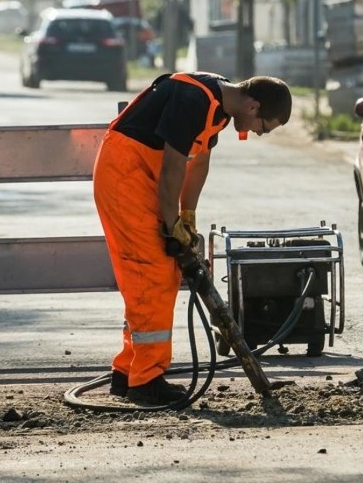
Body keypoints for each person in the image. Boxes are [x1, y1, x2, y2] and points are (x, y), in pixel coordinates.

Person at [92, 72, 292, 405]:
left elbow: (198, 164)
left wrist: (187, 217)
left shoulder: (219, 109)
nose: (258, 132)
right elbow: (173, 166)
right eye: (263, 126)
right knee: (151, 274)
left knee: (160, 274)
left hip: (142, 179)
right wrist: (171, 224)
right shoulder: (193, 100)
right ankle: (146, 382)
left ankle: (128, 371)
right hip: (125, 177)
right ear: (254, 105)